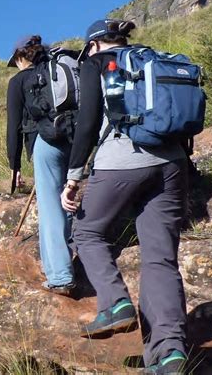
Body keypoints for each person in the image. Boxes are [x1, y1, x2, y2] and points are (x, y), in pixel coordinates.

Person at [61, 19, 189, 374]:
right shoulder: (152, 58)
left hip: (122, 161)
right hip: (173, 163)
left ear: (95, 45)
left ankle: (115, 303)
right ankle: (169, 355)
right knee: (160, 259)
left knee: (86, 231)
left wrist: (73, 178)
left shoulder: (95, 64)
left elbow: (87, 123)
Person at [6, 36, 75, 295]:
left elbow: (13, 126)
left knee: (51, 208)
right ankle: (63, 262)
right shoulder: (58, 72)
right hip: (77, 140)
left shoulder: (20, 80)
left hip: (45, 143)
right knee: (68, 201)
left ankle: (60, 275)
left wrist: (14, 165)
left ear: (20, 57)